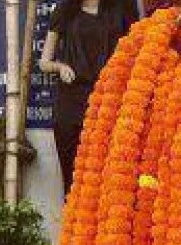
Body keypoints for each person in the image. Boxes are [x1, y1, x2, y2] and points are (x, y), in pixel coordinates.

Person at [40, 0, 137, 195]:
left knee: (106, 175)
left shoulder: (121, 9)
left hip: (108, 101)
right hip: (71, 101)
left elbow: (136, 50)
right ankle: (71, 213)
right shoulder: (64, 11)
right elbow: (44, 62)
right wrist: (60, 67)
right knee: (72, 176)